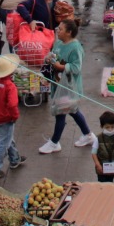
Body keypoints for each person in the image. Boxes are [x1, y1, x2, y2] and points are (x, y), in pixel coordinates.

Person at [38, 18, 92, 154]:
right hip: (59, 84)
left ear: (69, 32)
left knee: (61, 113)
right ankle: (88, 135)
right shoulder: (59, 43)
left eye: (61, 29)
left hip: (69, 87)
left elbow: (76, 67)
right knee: (73, 111)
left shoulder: (75, 47)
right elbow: (54, 54)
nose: (58, 31)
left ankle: (54, 142)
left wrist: (60, 66)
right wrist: (49, 59)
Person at [91, 110, 114, 182]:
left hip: (112, 167)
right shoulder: (98, 138)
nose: (110, 129)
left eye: (112, 127)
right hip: (101, 168)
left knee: (110, 181)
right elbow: (93, 152)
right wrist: (97, 164)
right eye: (107, 127)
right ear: (101, 126)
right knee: (102, 183)